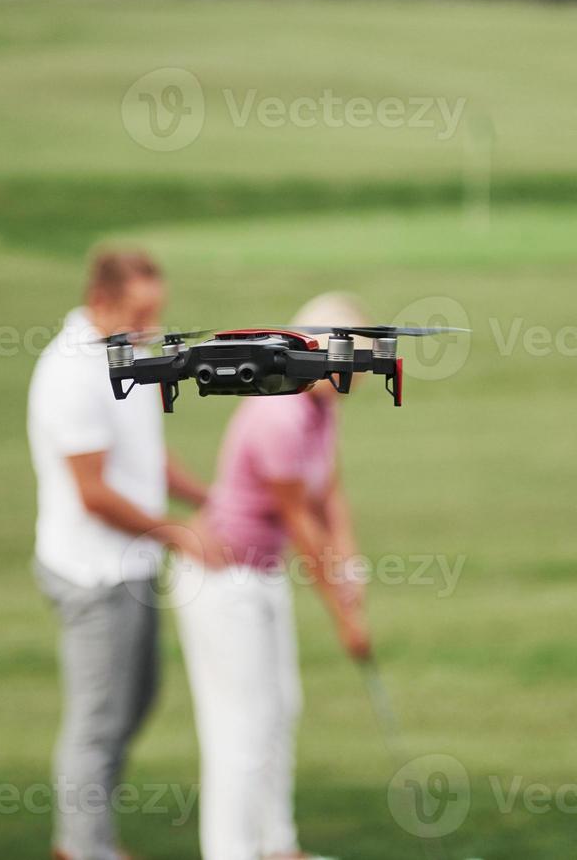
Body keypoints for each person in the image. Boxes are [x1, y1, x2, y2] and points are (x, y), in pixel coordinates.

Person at [27, 247, 216, 860]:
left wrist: (206, 498)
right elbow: (94, 492)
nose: (151, 327)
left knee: (136, 700)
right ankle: (84, 849)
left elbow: (144, 451)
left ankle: (83, 839)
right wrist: (177, 533)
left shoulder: (126, 354)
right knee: (97, 724)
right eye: (140, 313)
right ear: (103, 301)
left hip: (130, 565)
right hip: (93, 572)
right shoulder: (71, 372)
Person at [171, 292, 374, 860]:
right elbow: (304, 530)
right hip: (219, 581)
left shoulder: (320, 407)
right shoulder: (280, 413)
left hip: (260, 574)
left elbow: (329, 492)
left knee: (281, 708)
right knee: (239, 730)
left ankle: (278, 847)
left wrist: (351, 568)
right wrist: (345, 618)